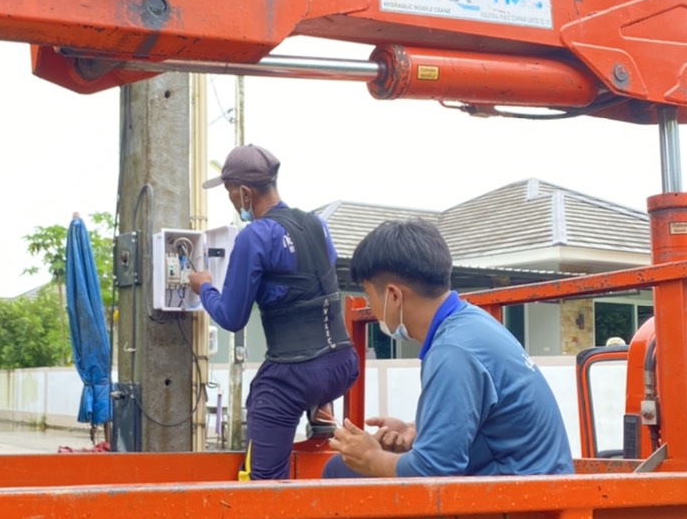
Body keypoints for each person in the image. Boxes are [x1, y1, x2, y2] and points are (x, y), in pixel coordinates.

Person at [326, 219, 573, 479]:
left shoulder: (452, 351)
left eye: (368, 296)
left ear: (393, 295)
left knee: (339, 470)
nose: (371, 308)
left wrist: (371, 458)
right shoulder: (471, 323)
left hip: (521, 502)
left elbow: (432, 472)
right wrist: (417, 431)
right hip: (536, 483)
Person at [187, 144, 359, 480]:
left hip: (294, 377)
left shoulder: (255, 236)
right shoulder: (316, 223)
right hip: (342, 366)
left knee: (261, 481)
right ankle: (321, 412)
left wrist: (205, 287)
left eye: (230, 192)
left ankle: (265, 489)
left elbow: (231, 317)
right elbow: (317, 278)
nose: (232, 201)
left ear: (246, 193)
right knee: (312, 364)